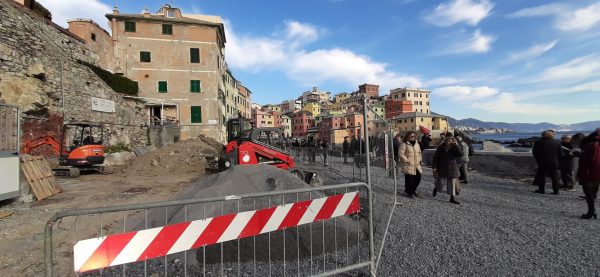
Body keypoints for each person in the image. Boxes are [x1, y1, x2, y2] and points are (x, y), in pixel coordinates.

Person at [432, 137, 464, 204]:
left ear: (453, 142)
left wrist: (456, 145)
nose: (448, 143)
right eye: (447, 141)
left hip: (452, 168)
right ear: (445, 141)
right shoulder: (441, 148)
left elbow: (461, 154)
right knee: (440, 182)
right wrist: (434, 167)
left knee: (452, 184)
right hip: (442, 167)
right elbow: (435, 158)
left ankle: (452, 198)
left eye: (450, 141)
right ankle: (436, 188)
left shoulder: (454, 148)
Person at [577, 132, 600, 219]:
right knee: (593, 190)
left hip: (588, 171)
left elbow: (590, 159)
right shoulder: (597, 144)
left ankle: (591, 212)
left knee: (588, 192)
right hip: (596, 171)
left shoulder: (591, 145)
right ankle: (592, 211)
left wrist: (578, 154)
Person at [532, 130, 562, 195]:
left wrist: (539, 159)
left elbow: (535, 153)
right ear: (552, 135)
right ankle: (556, 191)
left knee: (542, 176)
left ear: (543, 135)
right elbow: (561, 154)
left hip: (542, 162)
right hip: (554, 162)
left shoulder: (538, 142)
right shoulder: (557, 142)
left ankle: (541, 190)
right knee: (555, 177)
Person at [399, 131, 422, 198]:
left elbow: (419, 152)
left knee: (418, 178)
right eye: (412, 136)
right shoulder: (404, 144)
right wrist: (407, 160)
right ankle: (410, 192)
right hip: (408, 164)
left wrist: (420, 159)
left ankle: (413, 190)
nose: (413, 137)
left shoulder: (417, 144)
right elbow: (400, 154)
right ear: (408, 136)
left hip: (417, 164)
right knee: (409, 179)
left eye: (414, 136)